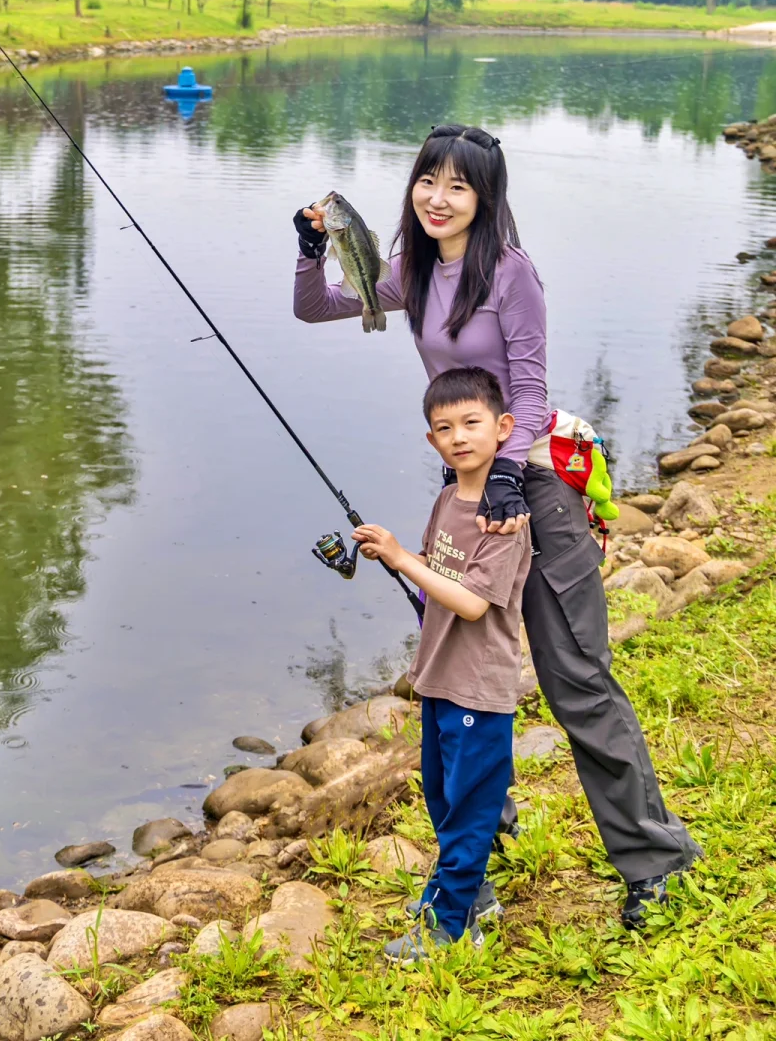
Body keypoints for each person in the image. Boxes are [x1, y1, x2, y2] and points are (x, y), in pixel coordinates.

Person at [293, 124, 701, 929]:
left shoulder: (510, 274)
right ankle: (482, 847)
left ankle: (655, 861)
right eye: (427, 182)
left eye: (458, 187)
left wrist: (511, 475)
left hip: (534, 489)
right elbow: (319, 308)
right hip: (466, 491)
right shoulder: (409, 268)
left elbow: (532, 383)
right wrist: (310, 249)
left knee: (576, 680)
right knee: (460, 674)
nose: (438, 199)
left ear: (485, 197)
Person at [354, 365, 532, 962]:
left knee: (471, 807)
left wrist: (406, 561)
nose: (458, 436)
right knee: (441, 793)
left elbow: (476, 605)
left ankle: (449, 926)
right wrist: (393, 554)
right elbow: (438, 571)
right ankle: (470, 893)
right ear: (432, 441)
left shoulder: (506, 518)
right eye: (443, 427)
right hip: (439, 675)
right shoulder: (445, 498)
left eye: (471, 423)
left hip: (480, 685)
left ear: (503, 429)